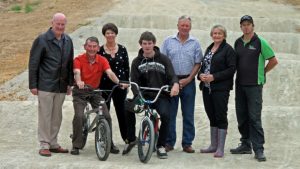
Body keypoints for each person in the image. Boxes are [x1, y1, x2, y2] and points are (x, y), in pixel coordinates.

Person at [123, 31, 180, 159]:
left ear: (154, 44)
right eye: (144, 43)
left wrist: (175, 84)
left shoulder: (164, 59)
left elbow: (172, 75)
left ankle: (161, 145)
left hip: (160, 96)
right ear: (140, 44)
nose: (147, 46)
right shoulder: (137, 62)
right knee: (127, 108)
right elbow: (134, 82)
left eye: (150, 43)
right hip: (143, 96)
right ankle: (131, 138)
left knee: (166, 116)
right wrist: (138, 95)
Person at [230, 15, 278, 162]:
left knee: (254, 118)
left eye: (248, 24)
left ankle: (259, 149)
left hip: (255, 85)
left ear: (253, 26)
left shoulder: (260, 42)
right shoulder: (237, 42)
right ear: (240, 27)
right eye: (243, 24)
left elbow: (273, 60)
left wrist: (263, 71)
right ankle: (245, 144)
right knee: (242, 115)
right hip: (240, 84)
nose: (246, 27)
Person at [70, 36, 127, 155]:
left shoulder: (102, 60)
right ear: (85, 47)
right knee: (79, 116)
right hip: (80, 92)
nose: (91, 49)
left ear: (98, 47)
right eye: (89, 46)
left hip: (95, 92)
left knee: (106, 116)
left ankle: (109, 143)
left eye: (94, 46)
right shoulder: (78, 59)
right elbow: (77, 72)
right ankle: (76, 145)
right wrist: (79, 81)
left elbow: (110, 73)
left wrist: (119, 82)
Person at [28, 13, 73, 157]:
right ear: (52, 23)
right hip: (45, 85)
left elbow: (70, 64)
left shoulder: (68, 40)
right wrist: (33, 85)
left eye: (63, 24)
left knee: (57, 116)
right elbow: (34, 63)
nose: (60, 27)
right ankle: (44, 144)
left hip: (61, 85)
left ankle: (53, 143)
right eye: (58, 24)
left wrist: (70, 83)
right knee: (45, 116)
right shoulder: (42, 40)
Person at [161, 15, 203, 153]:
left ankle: (187, 143)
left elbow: (198, 63)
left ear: (190, 27)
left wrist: (190, 78)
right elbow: (163, 62)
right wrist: (173, 80)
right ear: (177, 26)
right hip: (171, 82)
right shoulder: (168, 41)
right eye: (182, 25)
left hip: (188, 82)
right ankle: (169, 142)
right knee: (170, 114)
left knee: (188, 114)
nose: (185, 28)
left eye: (187, 25)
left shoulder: (195, 43)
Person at [197, 25, 236, 158]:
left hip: (220, 89)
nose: (217, 35)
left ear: (224, 35)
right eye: (214, 33)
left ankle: (220, 148)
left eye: (219, 33)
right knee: (211, 116)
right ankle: (213, 145)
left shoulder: (228, 50)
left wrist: (214, 77)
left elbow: (231, 69)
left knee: (220, 116)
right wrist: (200, 75)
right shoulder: (209, 48)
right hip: (206, 88)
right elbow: (204, 66)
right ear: (211, 35)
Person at [97, 23, 130, 154]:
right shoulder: (99, 50)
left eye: (112, 32)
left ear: (116, 34)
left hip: (120, 86)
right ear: (104, 35)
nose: (110, 35)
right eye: (107, 33)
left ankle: (127, 139)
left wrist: (127, 83)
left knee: (122, 113)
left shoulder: (122, 49)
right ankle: (107, 141)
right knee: (105, 115)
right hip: (104, 86)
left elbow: (126, 68)